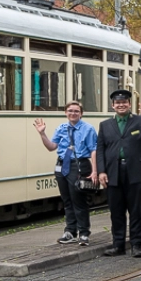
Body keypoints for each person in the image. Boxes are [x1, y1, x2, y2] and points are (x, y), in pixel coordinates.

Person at [96, 90, 141, 258]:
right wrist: (101, 171)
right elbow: (100, 149)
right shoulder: (105, 125)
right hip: (113, 172)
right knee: (116, 212)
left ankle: (136, 245)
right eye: (118, 103)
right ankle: (118, 245)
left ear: (129, 104)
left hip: (136, 172)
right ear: (112, 106)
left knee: (136, 210)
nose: (121, 105)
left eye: (124, 102)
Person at [34, 102, 98, 247]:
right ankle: (70, 231)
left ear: (81, 113)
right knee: (67, 200)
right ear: (65, 113)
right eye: (70, 111)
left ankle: (84, 233)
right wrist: (42, 133)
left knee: (78, 200)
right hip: (62, 165)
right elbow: (51, 147)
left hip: (79, 165)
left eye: (76, 111)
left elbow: (94, 150)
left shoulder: (88, 128)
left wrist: (94, 171)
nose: (73, 113)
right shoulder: (61, 128)